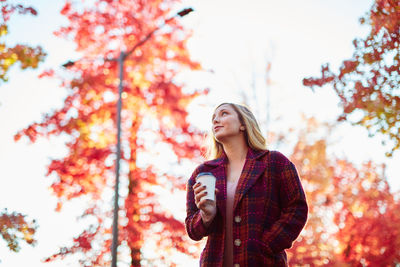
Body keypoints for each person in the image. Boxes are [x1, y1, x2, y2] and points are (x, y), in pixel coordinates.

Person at [185, 103, 308, 266]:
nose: (216, 120)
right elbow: (192, 229)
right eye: (213, 118)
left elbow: (296, 209)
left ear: (243, 124)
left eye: (224, 114)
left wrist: (266, 244)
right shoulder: (202, 173)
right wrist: (206, 216)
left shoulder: (275, 162)